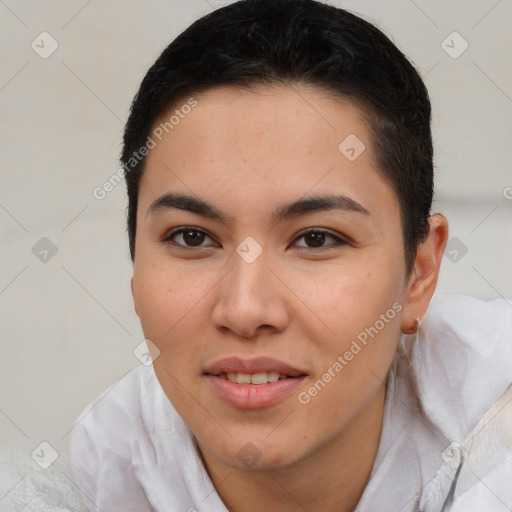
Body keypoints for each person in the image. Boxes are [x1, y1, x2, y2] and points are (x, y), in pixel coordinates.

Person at [70, 1, 512, 510]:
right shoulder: (97, 477)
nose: (245, 309)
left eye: (316, 239)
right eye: (192, 237)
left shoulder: (494, 420)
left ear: (419, 273)